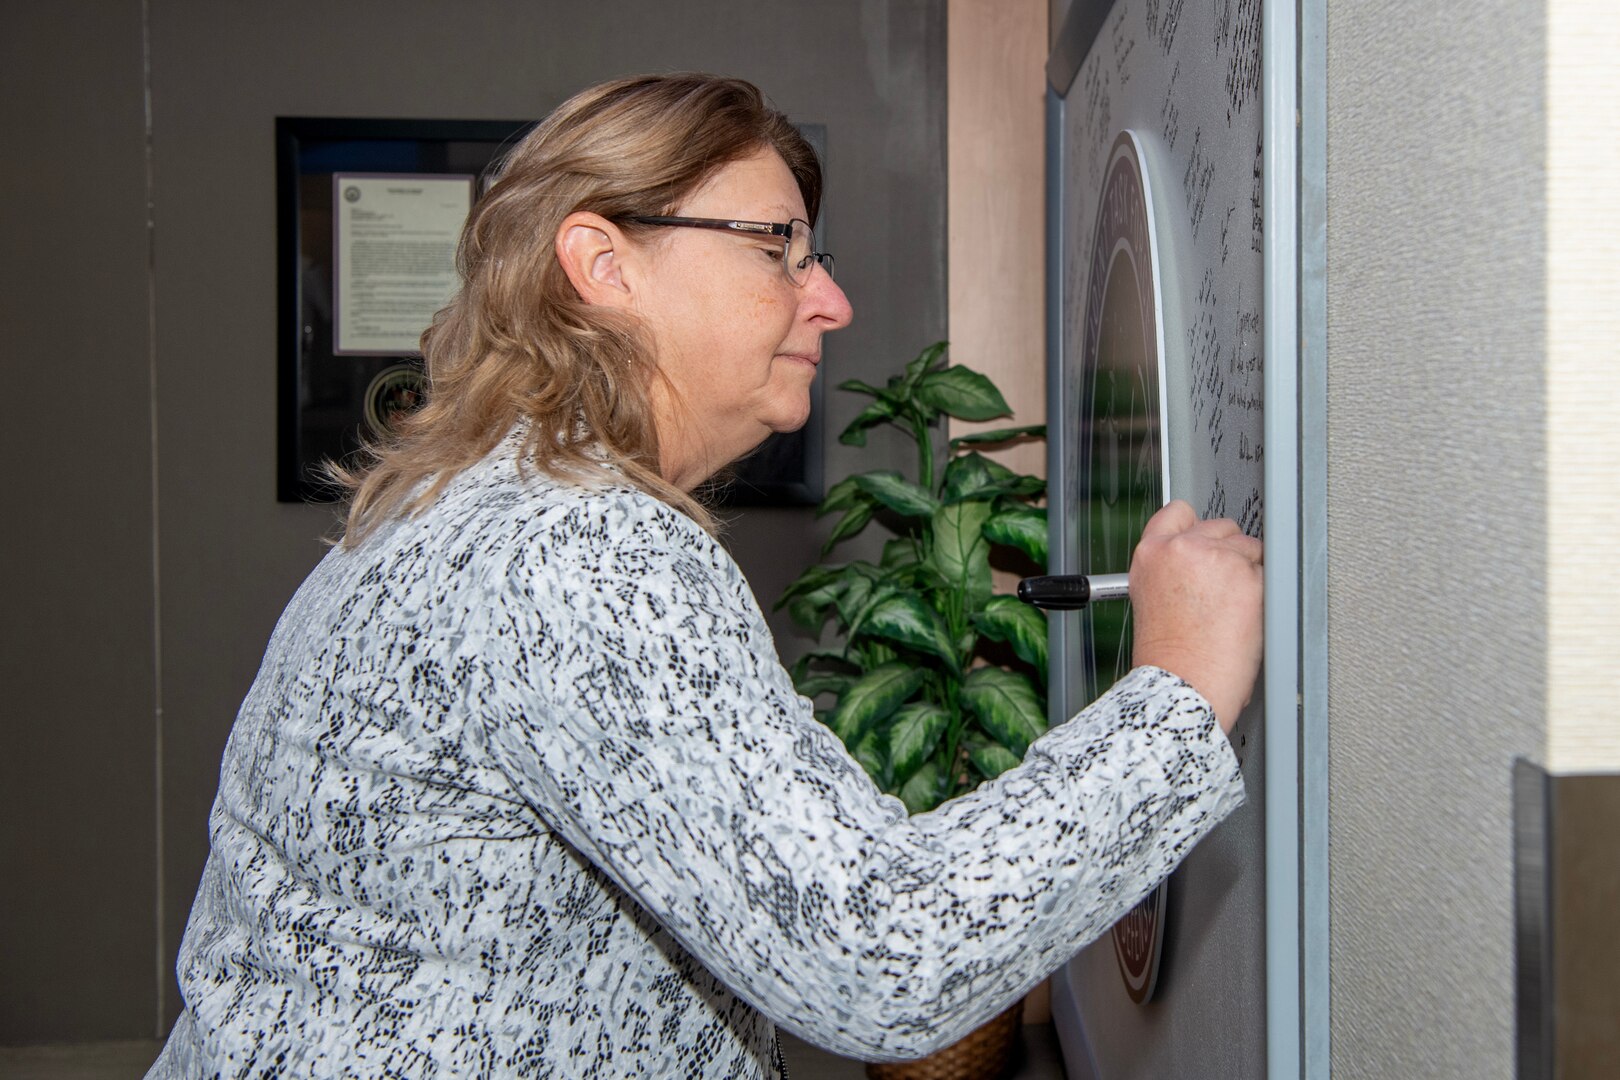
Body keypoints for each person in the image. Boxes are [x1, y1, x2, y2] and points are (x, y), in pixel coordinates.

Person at [148, 73, 1263, 1078]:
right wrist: (1177, 691)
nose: (829, 301)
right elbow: (885, 953)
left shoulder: (454, 506)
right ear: (602, 264)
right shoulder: (581, 551)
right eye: (778, 247)